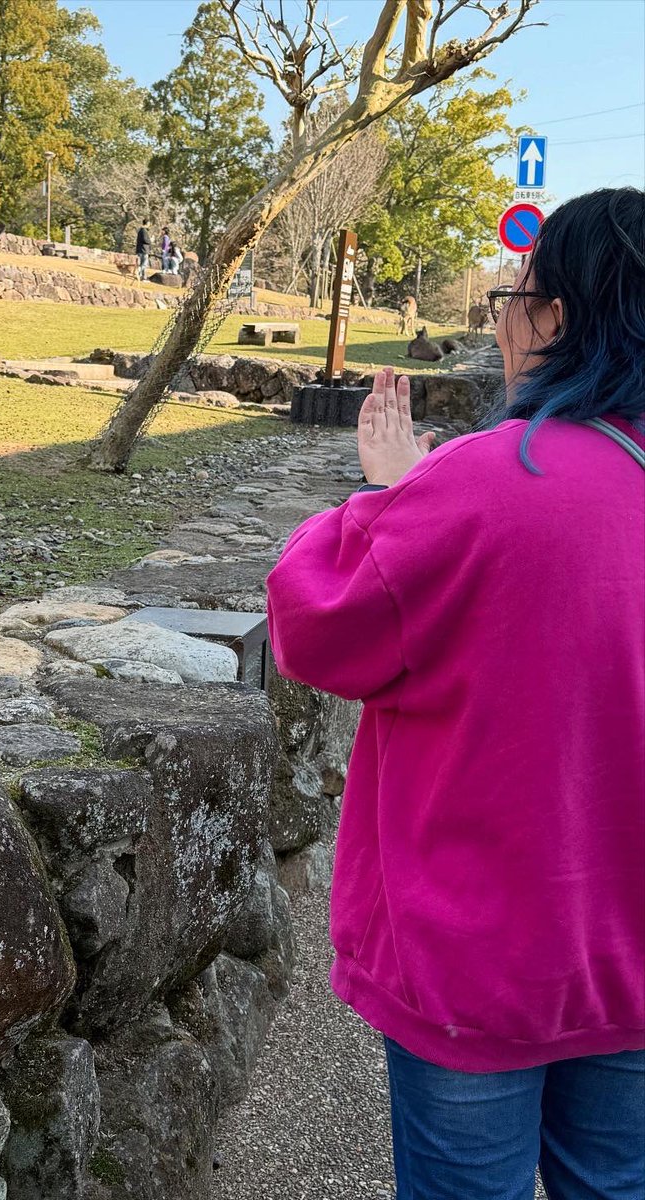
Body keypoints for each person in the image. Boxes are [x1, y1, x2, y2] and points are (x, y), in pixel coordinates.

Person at [266, 186, 644, 1200]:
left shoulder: (480, 483)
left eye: (511, 297)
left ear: (556, 317)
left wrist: (391, 492)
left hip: (477, 956)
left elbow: (314, 624)